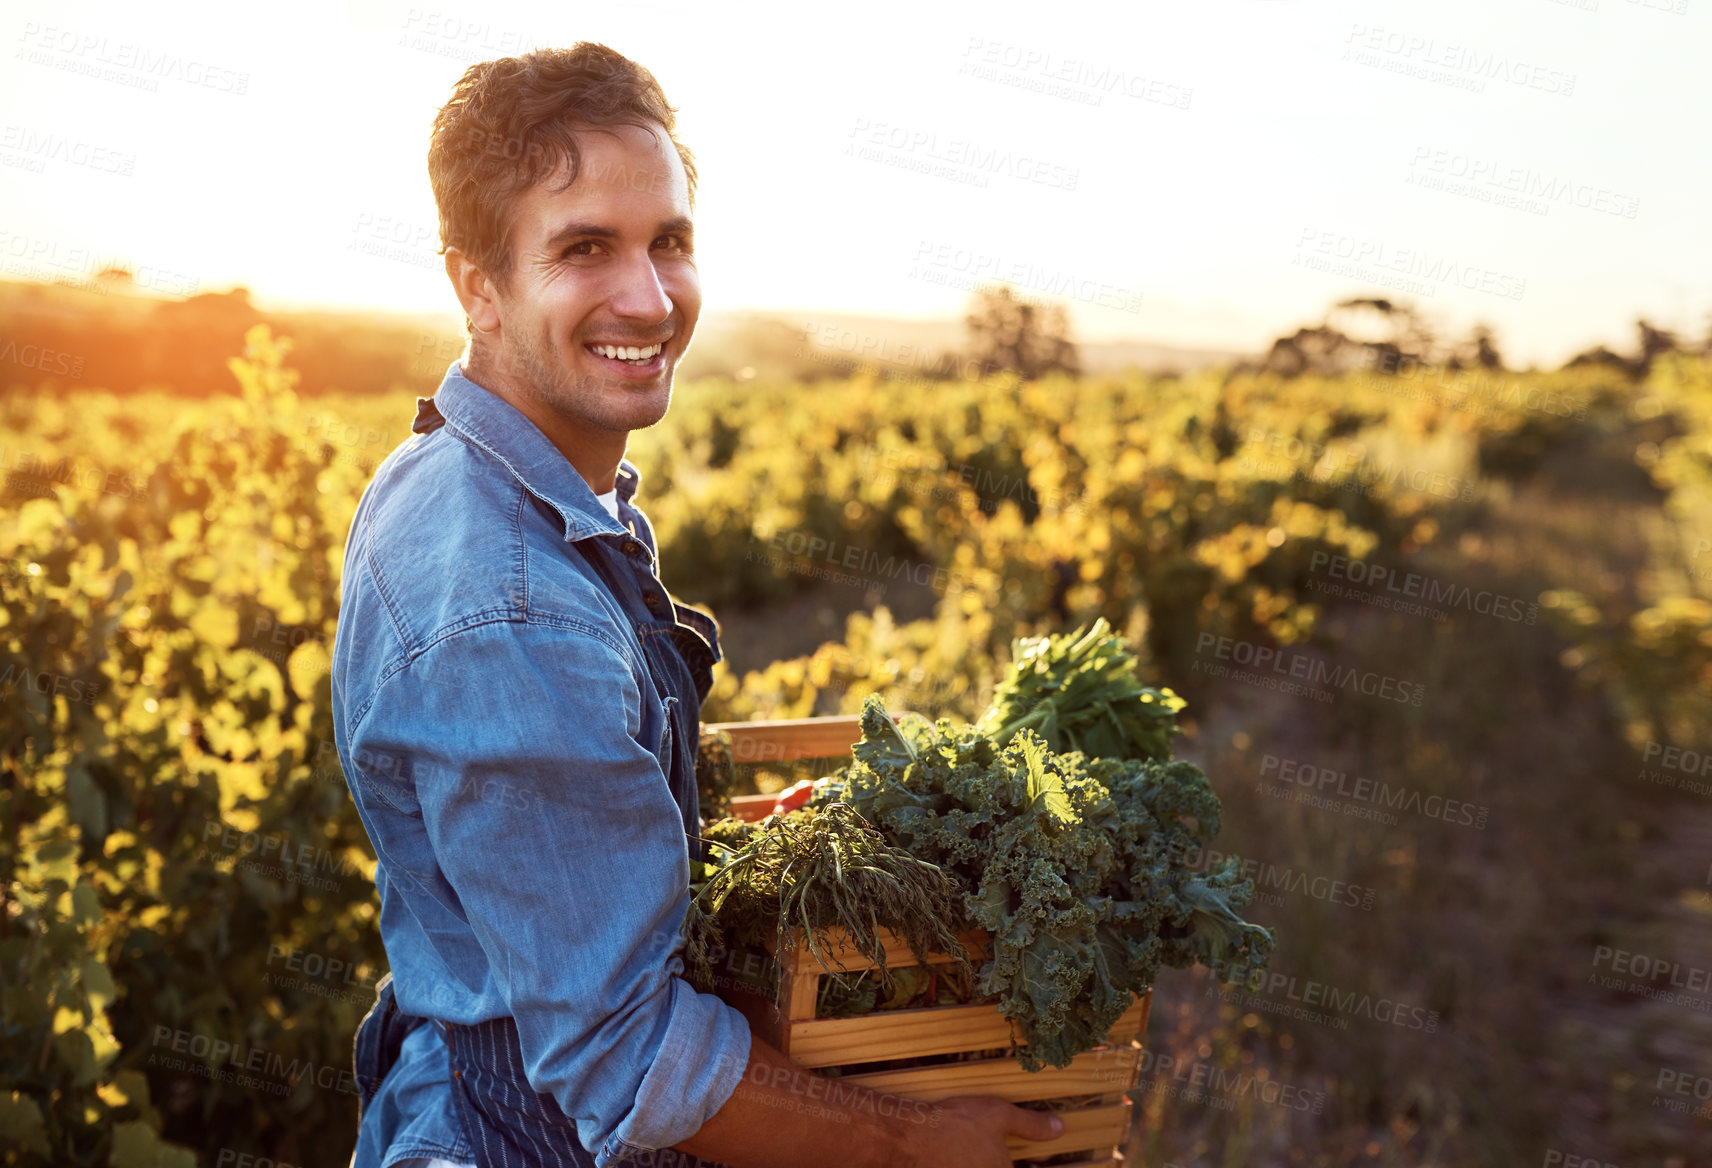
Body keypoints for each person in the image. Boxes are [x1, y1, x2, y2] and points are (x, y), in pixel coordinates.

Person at [330, 42, 1064, 1168]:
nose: (650, 296)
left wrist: (693, 845)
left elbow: (522, 853)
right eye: (585, 249)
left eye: (667, 240)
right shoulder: (512, 605)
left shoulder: (472, 473)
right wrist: (918, 1140)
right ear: (475, 284)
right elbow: (626, 1063)